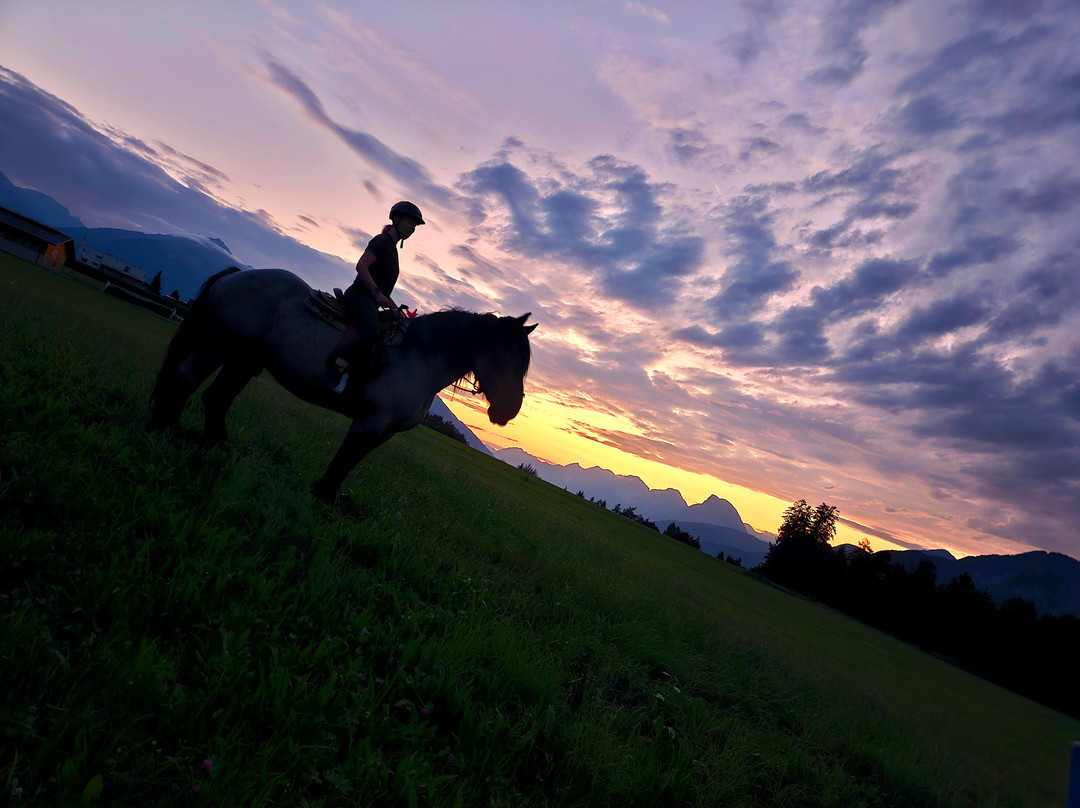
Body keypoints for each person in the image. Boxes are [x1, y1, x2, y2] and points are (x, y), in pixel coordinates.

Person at [327, 201, 424, 394]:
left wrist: (397, 311)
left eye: (415, 225)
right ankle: (335, 370)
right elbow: (361, 266)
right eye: (410, 222)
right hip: (359, 296)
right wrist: (375, 293)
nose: (413, 228)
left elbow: (384, 292)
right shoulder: (381, 241)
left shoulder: (393, 249)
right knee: (372, 331)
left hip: (371, 300)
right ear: (396, 219)